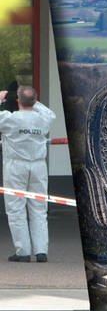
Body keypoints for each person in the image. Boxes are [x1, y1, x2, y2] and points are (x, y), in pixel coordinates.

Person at [0, 87, 56, 262]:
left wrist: (0, 99)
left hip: (15, 166)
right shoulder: (44, 120)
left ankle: (23, 251)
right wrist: (32, 100)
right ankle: (41, 251)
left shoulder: (10, 119)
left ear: (17, 101)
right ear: (35, 101)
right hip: (38, 166)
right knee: (39, 209)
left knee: (16, 209)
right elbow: (50, 113)